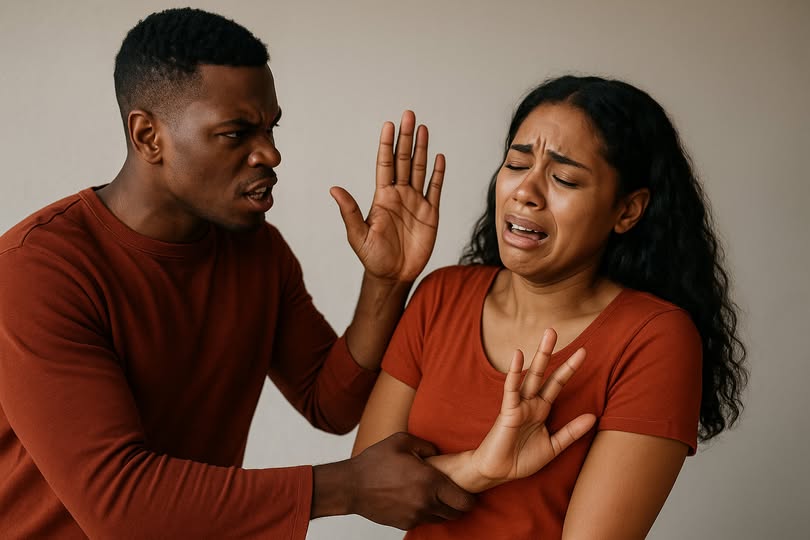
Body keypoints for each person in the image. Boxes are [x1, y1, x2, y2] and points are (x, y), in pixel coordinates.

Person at [0, 7, 569, 539]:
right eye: (236, 134)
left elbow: (329, 403)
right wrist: (347, 487)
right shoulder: (36, 271)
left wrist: (387, 280)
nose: (269, 154)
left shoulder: (256, 251)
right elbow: (119, 505)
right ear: (149, 136)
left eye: (270, 128)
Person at [353, 75, 749, 539]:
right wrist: (479, 467)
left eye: (564, 178)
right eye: (517, 164)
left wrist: (446, 474)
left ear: (627, 211)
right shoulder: (441, 295)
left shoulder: (655, 339)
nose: (526, 191)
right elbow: (367, 485)